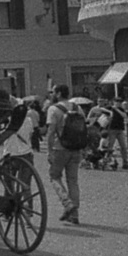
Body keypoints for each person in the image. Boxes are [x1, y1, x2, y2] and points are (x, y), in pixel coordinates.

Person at [44, 85, 87, 225]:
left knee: (54, 176)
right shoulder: (77, 108)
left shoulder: (54, 109)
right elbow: (83, 128)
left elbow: (51, 131)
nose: (52, 94)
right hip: (76, 148)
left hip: (60, 148)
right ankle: (75, 215)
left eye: (54, 92)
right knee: (73, 181)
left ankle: (67, 203)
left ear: (59, 93)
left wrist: (49, 150)